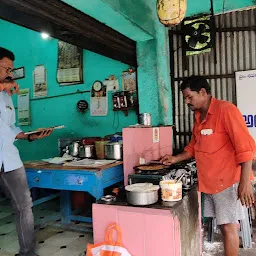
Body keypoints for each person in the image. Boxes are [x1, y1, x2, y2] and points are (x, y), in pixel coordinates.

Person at [160, 75, 255, 256]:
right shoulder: (199, 117)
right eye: (185, 98)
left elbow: (246, 148)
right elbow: (194, 146)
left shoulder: (226, 111)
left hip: (227, 181)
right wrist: (175, 158)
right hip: (211, 182)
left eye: (190, 97)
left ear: (203, 92)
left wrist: (245, 183)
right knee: (223, 225)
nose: (187, 102)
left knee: (229, 228)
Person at [0, 47, 52, 256]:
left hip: (9, 158)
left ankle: (27, 252)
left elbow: (9, 127)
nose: (10, 74)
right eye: (6, 68)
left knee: (24, 205)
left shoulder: (6, 96)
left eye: (11, 70)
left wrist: (30, 135)